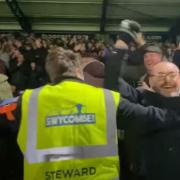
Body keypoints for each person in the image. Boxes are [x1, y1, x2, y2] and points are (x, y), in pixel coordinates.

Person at [0, 48, 180, 180]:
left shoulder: (24, 101)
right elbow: (155, 117)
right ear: (79, 71)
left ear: (50, 74)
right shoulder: (108, 99)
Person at [118, 61, 180, 180]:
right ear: (150, 81)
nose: (167, 79)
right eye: (161, 76)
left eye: (172, 75)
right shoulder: (141, 99)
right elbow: (115, 85)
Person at [104, 19, 146, 90]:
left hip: (111, 95)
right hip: (121, 96)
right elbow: (140, 72)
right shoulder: (128, 55)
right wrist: (142, 43)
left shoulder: (113, 54)